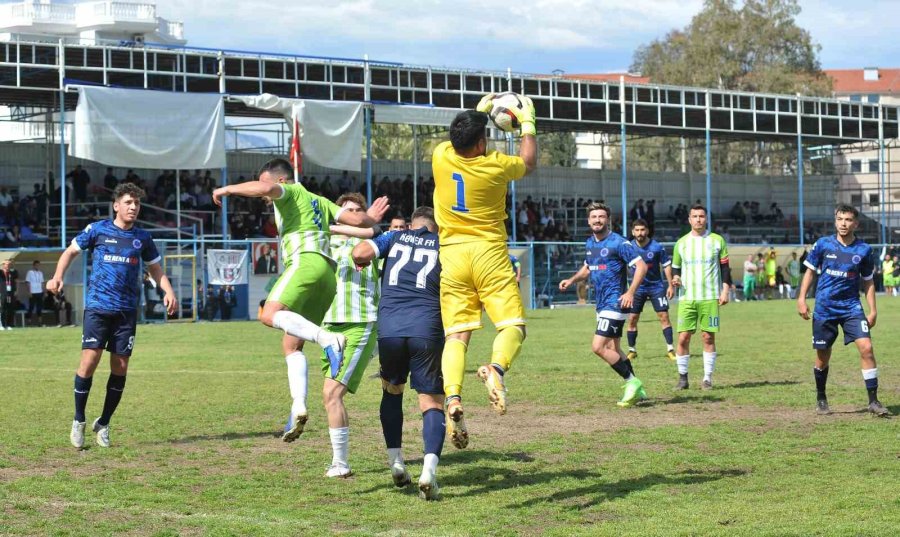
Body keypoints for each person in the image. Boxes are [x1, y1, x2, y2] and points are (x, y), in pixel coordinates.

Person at [213, 158, 389, 449]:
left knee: (269, 314)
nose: (268, 196)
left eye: (269, 184)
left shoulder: (291, 191)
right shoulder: (321, 201)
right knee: (291, 344)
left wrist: (227, 189)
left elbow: (264, 187)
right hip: (327, 275)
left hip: (306, 262)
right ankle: (298, 406)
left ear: (280, 181)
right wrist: (370, 216)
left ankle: (328, 339)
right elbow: (360, 221)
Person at [430, 97, 537, 448]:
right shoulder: (496, 166)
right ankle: (496, 369)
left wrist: (479, 108)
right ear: (481, 143)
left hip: (453, 256)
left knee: (456, 336)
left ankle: (453, 397)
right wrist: (527, 122)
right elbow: (529, 162)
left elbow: (462, 137)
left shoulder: (440, 155)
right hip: (489, 252)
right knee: (512, 327)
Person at [47, 183, 178, 449]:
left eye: (137, 204)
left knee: (120, 367)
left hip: (127, 312)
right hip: (98, 307)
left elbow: (155, 269)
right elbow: (70, 251)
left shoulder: (143, 237)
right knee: (89, 362)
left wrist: (169, 291)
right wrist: (57, 276)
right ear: (116, 205)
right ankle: (79, 420)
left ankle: (104, 423)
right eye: (128, 202)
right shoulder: (97, 230)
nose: (133, 207)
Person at [352, 206, 445, 500]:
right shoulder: (445, 245)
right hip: (426, 328)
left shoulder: (394, 237)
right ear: (436, 227)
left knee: (391, 392)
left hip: (390, 329)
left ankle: (396, 462)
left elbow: (359, 253)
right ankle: (429, 469)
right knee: (431, 401)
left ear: (412, 224)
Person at [311, 193, 383, 478]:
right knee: (328, 396)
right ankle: (338, 462)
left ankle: (340, 464)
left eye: (357, 211)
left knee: (332, 393)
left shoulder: (372, 243)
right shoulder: (326, 243)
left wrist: (338, 225)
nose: (352, 214)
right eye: (346, 211)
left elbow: (373, 231)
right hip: (330, 325)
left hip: (361, 321)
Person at [796, 205, 889, 416]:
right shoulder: (823, 244)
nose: (843, 224)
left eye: (848, 220)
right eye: (840, 219)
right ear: (835, 221)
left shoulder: (864, 250)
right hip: (825, 308)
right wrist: (801, 299)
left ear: (856, 223)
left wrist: (873, 310)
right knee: (822, 356)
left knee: (866, 348)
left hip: (851, 307)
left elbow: (868, 281)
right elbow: (809, 273)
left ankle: (873, 401)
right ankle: (821, 397)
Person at [559, 203, 649, 407]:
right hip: (601, 303)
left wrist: (630, 292)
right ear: (589, 221)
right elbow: (587, 268)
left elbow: (641, 266)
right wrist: (572, 280)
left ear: (607, 219)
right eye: (594, 217)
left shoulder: (619, 242)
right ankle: (639, 392)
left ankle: (631, 382)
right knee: (613, 348)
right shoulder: (590, 243)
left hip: (616, 301)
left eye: (601, 216)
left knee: (598, 347)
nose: (597, 220)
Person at [671, 205, 732, 390]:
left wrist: (725, 290)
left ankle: (707, 378)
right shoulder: (681, 243)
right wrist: (675, 277)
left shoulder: (717, 241)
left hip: (709, 297)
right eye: (694, 216)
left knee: (708, 337)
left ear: (706, 219)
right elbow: (675, 267)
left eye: (701, 216)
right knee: (683, 338)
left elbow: (725, 269)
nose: (698, 219)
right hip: (687, 298)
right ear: (689, 219)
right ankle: (683, 378)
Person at [624, 219, 675, 361]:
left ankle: (670, 349)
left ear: (647, 230)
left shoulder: (657, 247)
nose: (640, 233)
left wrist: (670, 285)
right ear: (632, 232)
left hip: (656, 287)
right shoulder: (628, 247)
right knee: (632, 319)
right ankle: (632, 350)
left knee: (664, 317)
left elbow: (666, 265)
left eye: (642, 230)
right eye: (637, 230)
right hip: (637, 289)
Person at [25, 260, 45, 326]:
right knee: (31, 307)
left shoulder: (40, 273)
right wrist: (29, 292)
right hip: (33, 292)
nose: (37, 266)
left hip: (39, 292)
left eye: (38, 265)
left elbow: (42, 282)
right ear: (33, 265)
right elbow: (28, 282)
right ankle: (29, 321)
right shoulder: (30, 272)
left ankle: (40, 322)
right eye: (36, 265)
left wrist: (43, 291)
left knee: (39, 307)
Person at [0, 259, 18, 330]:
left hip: (10, 293)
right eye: (6, 264)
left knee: (10, 308)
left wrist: (16, 291)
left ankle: (9, 324)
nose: (8, 266)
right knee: (3, 309)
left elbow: (16, 282)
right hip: (2, 292)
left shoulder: (12, 273)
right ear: (3, 265)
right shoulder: (1, 272)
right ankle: (2, 324)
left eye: (9, 265)